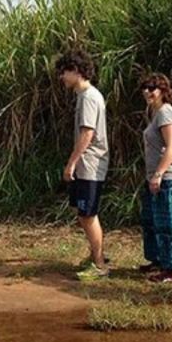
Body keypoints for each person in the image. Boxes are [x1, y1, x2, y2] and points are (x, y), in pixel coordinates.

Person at [55, 51, 110, 281]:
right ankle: (96, 256)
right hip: (87, 164)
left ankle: (99, 265)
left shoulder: (89, 97)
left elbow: (87, 134)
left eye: (65, 72)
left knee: (88, 214)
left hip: (90, 164)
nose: (62, 77)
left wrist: (72, 163)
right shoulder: (84, 96)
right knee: (83, 213)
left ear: (77, 71)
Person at [138, 73, 172, 283]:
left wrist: (158, 174)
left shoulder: (166, 112)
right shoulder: (154, 112)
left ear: (163, 91)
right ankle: (159, 260)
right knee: (153, 221)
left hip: (170, 177)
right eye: (146, 88)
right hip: (156, 177)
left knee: (170, 224)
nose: (149, 92)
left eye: (153, 88)